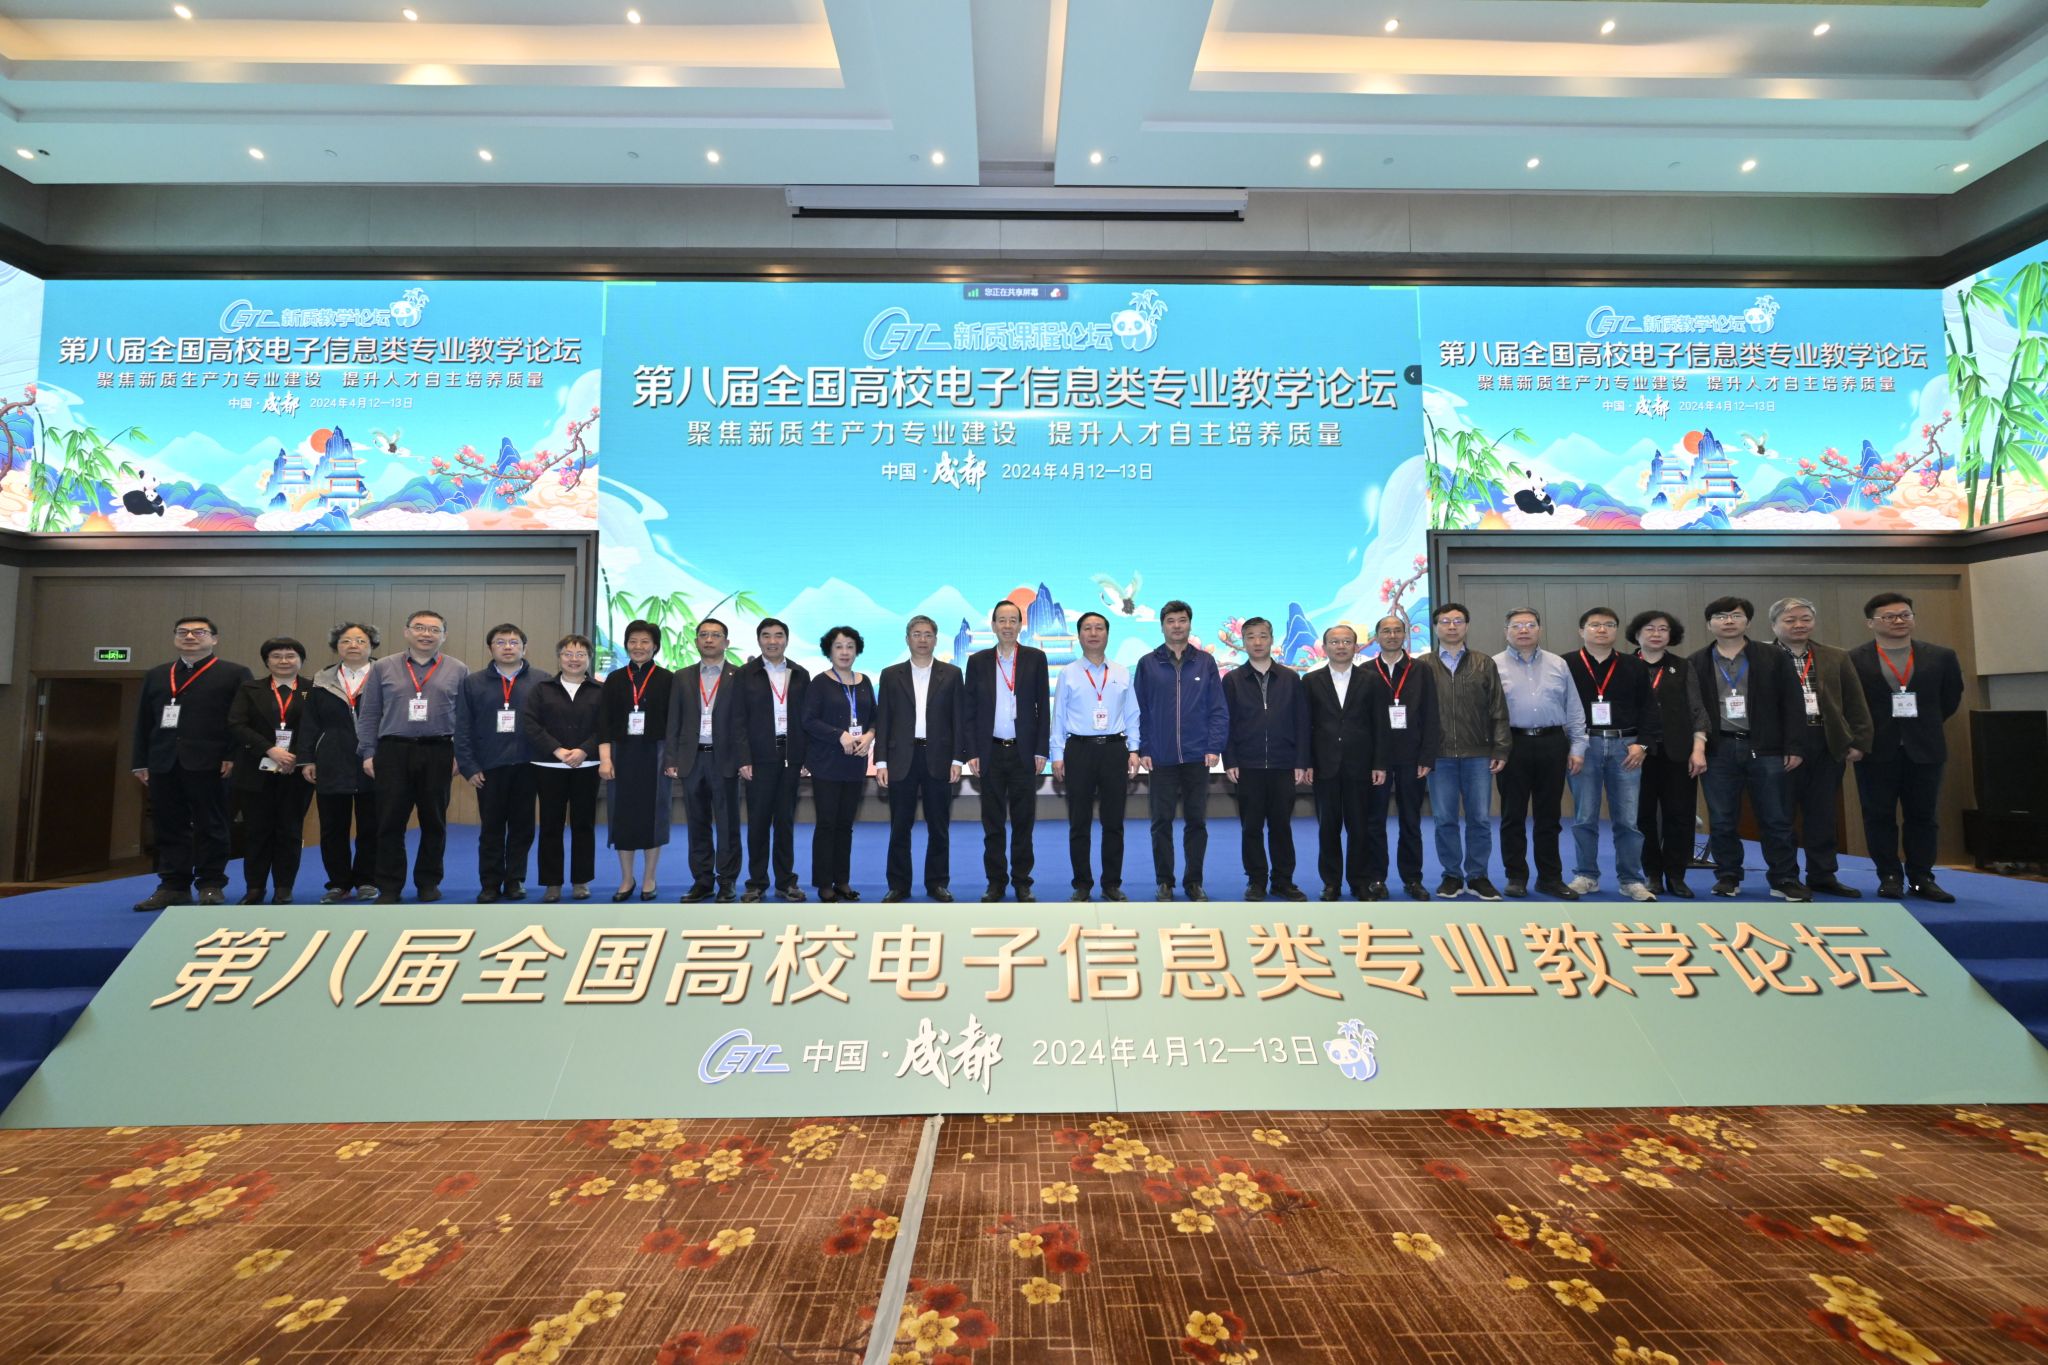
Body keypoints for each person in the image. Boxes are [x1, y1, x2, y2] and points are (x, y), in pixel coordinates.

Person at [1689, 596, 1810, 901]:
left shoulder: (1773, 656)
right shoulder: (1697, 661)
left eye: (1735, 615)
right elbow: (1694, 709)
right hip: (1719, 749)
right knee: (1722, 819)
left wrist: (1794, 746)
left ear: (1748, 621)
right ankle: (1728, 876)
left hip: (1766, 748)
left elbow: (1793, 702)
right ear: (1709, 624)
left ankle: (1784, 878)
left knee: (1776, 817)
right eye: (1720, 616)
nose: (1728, 621)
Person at [1849, 591, 1965, 902]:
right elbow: (1850, 704)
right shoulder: (1854, 659)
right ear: (1871, 623)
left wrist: (1922, 725)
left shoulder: (1941, 656)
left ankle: (1922, 877)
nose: (1898, 621)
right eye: (1889, 616)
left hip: (1925, 747)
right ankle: (1889, 876)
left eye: (1905, 615)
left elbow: (1950, 699)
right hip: (1875, 749)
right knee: (1878, 816)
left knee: (1923, 816)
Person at [130, 616, 251, 910]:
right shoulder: (157, 674)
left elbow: (242, 720)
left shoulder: (234, 673)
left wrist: (233, 755)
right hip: (163, 761)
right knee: (168, 825)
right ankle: (173, 886)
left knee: (212, 824)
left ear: (214, 639)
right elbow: (144, 720)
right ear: (175, 637)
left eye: (199, 632)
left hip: (212, 762)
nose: (190, 637)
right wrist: (140, 761)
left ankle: (210, 883)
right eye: (183, 632)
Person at [356, 608, 469, 904]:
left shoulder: (458, 669)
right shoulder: (383, 667)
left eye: (434, 629)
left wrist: (461, 755)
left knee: (434, 822)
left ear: (444, 636)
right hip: (393, 751)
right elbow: (369, 713)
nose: (426, 634)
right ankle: (389, 886)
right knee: (390, 823)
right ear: (406, 631)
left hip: (439, 751)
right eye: (419, 627)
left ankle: (428, 883)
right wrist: (368, 752)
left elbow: (465, 718)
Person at [1770, 597, 1874, 898]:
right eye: (1790, 620)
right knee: (1781, 816)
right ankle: (1785, 876)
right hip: (1781, 746)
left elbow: (1855, 701)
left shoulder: (1835, 656)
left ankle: (1823, 875)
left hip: (1826, 742)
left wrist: (1859, 741)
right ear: (1774, 625)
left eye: (1805, 619)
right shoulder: (1763, 656)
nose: (1799, 625)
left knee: (1823, 814)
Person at [1564, 606, 1661, 902]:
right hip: (1585, 746)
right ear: (1581, 631)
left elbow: (1649, 708)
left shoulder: (1633, 665)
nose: (1602, 629)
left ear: (1617, 631)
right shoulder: (1566, 664)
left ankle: (1631, 880)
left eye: (1609, 624)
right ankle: (1586, 875)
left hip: (1626, 747)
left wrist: (1642, 744)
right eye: (1594, 625)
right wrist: (1571, 745)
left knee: (1628, 820)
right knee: (1584, 817)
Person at [1135, 600, 1228, 902]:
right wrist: (1143, 747)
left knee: (1196, 822)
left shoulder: (1205, 662)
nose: (1177, 626)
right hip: (1160, 757)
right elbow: (1140, 710)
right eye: (1171, 621)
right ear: (1162, 626)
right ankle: (1165, 881)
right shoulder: (1148, 663)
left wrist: (1214, 745)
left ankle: (1194, 881)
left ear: (1190, 624)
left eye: (1182, 620)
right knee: (1161, 822)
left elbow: (1218, 708)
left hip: (1197, 756)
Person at [1495, 609, 1587, 900]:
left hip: (1552, 743)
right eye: (1516, 625)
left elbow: (1573, 707)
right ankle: (1516, 876)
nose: (1524, 630)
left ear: (1539, 629)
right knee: (1513, 815)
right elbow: (1488, 713)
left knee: (1549, 816)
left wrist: (1578, 747)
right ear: (1506, 631)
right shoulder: (1494, 665)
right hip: (1513, 745)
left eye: (1530, 625)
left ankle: (1550, 878)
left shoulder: (1558, 663)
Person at [875, 615, 967, 903]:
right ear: (907, 639)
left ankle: (937, 883)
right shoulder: (891, 675)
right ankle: (898, 885)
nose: (922, 639)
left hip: (938, 758)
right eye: (917, 634)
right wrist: (881, 762)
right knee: (899, 826)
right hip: (901, 758)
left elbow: (959, 720)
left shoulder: (952, 674)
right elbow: (884, 719)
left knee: (938, 826)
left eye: (928, 634)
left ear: (936, 640)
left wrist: (957, 759)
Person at [1052, 611, 1142, 902]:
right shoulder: (1068, 673)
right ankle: (1082, 884)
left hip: (1114, 750)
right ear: (1079, 635)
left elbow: (1132, 714)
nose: (1093, 633)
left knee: (1113, 822)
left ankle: (1111, 883)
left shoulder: (1121, 672)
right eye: (1087, 628)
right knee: (1079, 822)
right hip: (1079, 750)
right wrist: (1057, 755)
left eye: (1099, 628)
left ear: (1107, 634)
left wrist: (1134, 749)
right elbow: (1059, 716)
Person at [1421, 602, 1509, 901]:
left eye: (1458, 621)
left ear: (1467, 626)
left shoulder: (1484, 663)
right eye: (1445, 621)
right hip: (1439, 756)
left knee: (1479, 819)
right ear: (1436, 627)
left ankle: (1478, 875)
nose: (1452, 626)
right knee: (1444, 819)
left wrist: (1501, 748)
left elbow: (1498, 709)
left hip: (1478, 754)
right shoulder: (1423, 665)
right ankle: (1452, 875)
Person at [964, 600, 1049, 903]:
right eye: (1002, 620)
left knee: (1024, 823)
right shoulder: (978, 662)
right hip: (990, 752)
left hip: (1023, 753)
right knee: (993, 823)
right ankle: (996, 882)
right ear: (993, 625)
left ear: (1021, 625)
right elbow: (969, 711)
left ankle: (1023, 882)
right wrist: (972, 751)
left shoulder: (1035, 658)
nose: (1008, 626)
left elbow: (1044, 708)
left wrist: (1042, 750)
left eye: (1013, 620)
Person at [454, 623, 545, 902]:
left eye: (514, 642)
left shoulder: (542, 681)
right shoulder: (473, 682)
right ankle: (490, 883)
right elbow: (463, 727)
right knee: (491, 829)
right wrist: (469, 766)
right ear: (490, 648)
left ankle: (515, 880)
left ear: (524, 648)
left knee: (522, 828)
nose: (508, 647)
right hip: (488, 768)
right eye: (501, 642)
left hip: (529, 766)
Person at [1221, 616, 1307, 902]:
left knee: (1281, 826)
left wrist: (1301, 761)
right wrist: (1230, 760)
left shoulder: (1290, 678)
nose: (1257, 642)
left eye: (1263, 636)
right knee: (1251, 827)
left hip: (1283, 764)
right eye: (1250, 637)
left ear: (1272, 640)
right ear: (1243, 642)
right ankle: (1256, 880)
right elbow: (1226, 724)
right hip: (1248, 765)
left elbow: (1301, 722)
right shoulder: (1233, 680)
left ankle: (1283, 881)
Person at [296, 622, 381, 904]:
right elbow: (310, 723)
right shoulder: (321, 680)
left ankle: (368, 880)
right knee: (333, 828)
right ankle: (339, 883)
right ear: (336, 647)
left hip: (374, 760)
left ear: (371, 645)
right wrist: (307, 758)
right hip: (332, 760)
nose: (353, 645)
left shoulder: (385, 675)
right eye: (346, 641)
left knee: (372, 826)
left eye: (360, 640)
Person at [1627, 609, 1709, 899]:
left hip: (1678, 751)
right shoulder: (1626, 665)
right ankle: (1652, 873)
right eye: (1649, 629)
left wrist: (1699, 749)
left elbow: (1697, 710)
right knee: (1643, 816)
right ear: (1637, 634)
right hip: (1637, 753)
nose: (1656, 634)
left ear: (1671, 635)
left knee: (1681, 815)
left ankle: (1676, 874)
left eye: (1663, 629)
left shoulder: (1683, 666)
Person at [227, 636, 313, 903]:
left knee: (290, 831)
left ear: (301, 660)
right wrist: (270, 750)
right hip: (255, 769)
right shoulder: (249, 688)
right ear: (266, 661)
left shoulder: (314, 689)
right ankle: (255, 888)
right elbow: (237, 724)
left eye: (290, 656)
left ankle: (283, 888)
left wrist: (295, 756)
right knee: (256, 831)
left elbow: (317, 726)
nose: (284, 661)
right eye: (276, 656)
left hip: (296, 771)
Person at [666, 618, 747, 904]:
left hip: (725, 760)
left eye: (715, 635)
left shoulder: (740, 676)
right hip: (692, 759)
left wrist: (744, 759)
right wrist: (671, 757)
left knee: (728, 824)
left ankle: (727, 881)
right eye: (703, 635)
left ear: (727, 642)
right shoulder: (682, 676)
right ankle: (702, 881)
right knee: (697, 823)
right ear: (696, 641)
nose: (709, 640)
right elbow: (673, 720)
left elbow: (744, 723)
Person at [1363, 615, 1439, 901]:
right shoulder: (1366, 671)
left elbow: (1431, 714)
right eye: (1386, 631)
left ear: (1405, 635)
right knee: (1374, 821)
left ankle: (1412, 878)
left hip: (1412, 756)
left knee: (1411, 821)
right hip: (1376, 759)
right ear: (1377, 636)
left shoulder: (1421, 670)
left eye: (1397, 630)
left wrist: (1427, 756)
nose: (1392, 635)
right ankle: (1376, 878)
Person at [523, 634, 602, 903]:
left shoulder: (600, 690)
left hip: (587, 764)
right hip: (548, 765)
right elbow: (530, 724)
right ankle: (552, 883)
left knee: (584, 824)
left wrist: (584, 750)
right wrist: (557, 750)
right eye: (568, 654)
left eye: (580, 654)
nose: (574, 659)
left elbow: (606, 725)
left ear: (589, 659)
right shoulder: (541, 689)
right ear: (559, 658)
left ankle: (581, 881)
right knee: (550, 825)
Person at [598, 619, 672, 902]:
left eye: (645, 642)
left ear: (655, 646)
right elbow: (604, 722)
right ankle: (626, 878)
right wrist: (605, 759)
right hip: (622, 755)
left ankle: (650, 877)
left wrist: (672, 758)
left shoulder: (668, 679)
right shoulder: (615, 679)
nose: (638, 647)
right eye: (633, 641)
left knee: (654, 817)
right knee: (623, 816)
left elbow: (674, 724)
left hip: (656, 755)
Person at [1303, 623, 1378, 900]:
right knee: (1328, 828)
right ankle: (1331, 883)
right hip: (1325, 766)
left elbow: (1380, 726)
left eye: (1347, 641)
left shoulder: (1371, 680)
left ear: (1356, 647)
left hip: (1361, 765)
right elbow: (1305, 726)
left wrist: (1379, 763)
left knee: (1360, 828)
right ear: (1325, 648)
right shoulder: (1310, 681)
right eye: (1334, 642)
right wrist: (1306, 762)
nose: (1341, 646)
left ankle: (1360, 882)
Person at [802, 625, 877, 903]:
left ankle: (842, 880)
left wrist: (869, 735)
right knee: (827, 824)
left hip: (855, 764)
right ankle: (824, 883)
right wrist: (839, 735)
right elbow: (808, 720)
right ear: (829, 651)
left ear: (857, 650)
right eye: (839, 646)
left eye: (850, 646)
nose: (845, 652)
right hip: (827, 763)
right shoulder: (819, 683)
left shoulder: (865, 681)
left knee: (846, 825)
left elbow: (875, 717)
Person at [737, 618, 808, 903]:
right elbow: (737, 719)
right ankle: (756, 883)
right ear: (759, 640)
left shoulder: (800, 674)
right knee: (758, 822)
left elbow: (807, 719)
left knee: (785, 822)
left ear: (786, 640)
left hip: (791, 757)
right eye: (766, 636)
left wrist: (806, 757)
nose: (773, 641)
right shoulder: (745, 674)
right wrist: (744, 758)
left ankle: (786, 882)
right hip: (758, 758)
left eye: (778, 636)